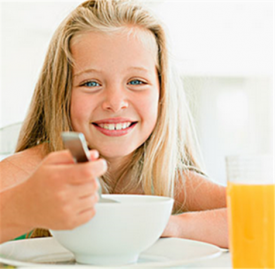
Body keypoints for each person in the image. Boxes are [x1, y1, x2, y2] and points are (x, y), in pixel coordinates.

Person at [0, 0, 228, 247]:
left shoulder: (167, 179)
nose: (115, 103)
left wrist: (168, 226)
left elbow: (264, 217)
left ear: (162, 95)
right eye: (91, 83)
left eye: (137, 81)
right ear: (61, 95)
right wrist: (24, 206)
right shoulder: (34, 172)